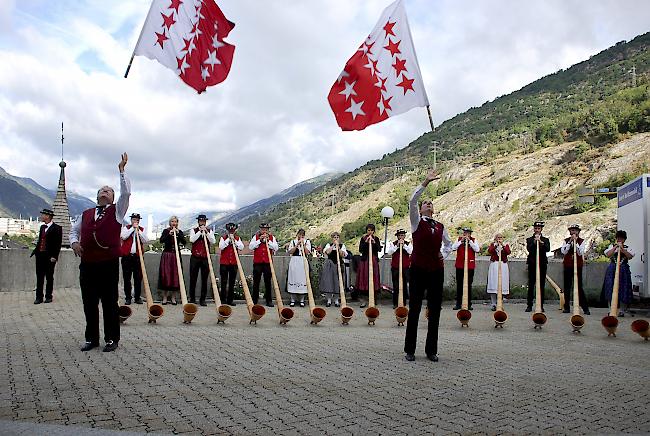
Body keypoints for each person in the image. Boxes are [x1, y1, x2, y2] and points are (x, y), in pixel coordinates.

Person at [70, 153, 129, 353]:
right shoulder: (85, 214)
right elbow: (73, 231)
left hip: (108, 263)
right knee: (89, 302)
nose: (105, 192)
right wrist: (74, 243)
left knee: (109, 302)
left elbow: (126, 194)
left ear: (113, 198)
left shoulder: (118, 211)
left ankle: (112, 339)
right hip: (87, 264)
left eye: (109, 191)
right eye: (102, 190)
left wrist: (121, 171)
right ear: (97, 196)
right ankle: (91, 338)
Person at [404, 170, 452, 362]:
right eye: (426, 203)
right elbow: (412, 201)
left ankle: (431, 350)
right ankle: (410, 350)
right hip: (417, 268)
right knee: (414, 308)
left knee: (434, 309)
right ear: (422, 209)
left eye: (430, 203)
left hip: (435, 270)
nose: (428, 204)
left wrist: (443, 255)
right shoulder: (416, 222)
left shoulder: (440, 226)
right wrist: (425, 182)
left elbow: (449, 244)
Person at [31, 208, 62, 304]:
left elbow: (58, 244)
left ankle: (48, 296)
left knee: (49, 277)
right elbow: (40, 241)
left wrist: (54, 256)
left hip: (49, 257)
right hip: (40, 255)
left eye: (43, 215)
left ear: (48, 216)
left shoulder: (57, 228)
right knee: (39, 277)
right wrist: (36, 251)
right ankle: (39, 297)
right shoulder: (42, 227)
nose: (41, 216)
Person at [602, 230, 635, 316]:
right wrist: (615, 248)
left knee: (624, 288)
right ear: (616, 239)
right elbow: (608, 254)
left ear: (624, 239)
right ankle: (611, 309)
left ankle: (622, 310)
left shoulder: (628, 247)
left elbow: (630, 256)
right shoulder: (611, 246)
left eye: (621, 238)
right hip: (612, 268)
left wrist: (623, 250)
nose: (620, 240)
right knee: (610, 287)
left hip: (623, 269)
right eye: (618, 238)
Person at [561, 224, 590, 315]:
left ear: (578, 232)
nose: (573, 232)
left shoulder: (582, 241)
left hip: (578, 266)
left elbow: (580, 252)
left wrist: (576, 242)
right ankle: (566, 307)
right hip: (568, 266)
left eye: (575, 230)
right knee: (567, 287)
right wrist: (570, 242)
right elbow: (564, 251)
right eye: (572, 230)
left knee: (579, 287)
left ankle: (585, 308)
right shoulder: (566, 241)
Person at [120, 213, 148, 305]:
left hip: (137, 257)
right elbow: (124, 236)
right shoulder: (126, 228)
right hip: (127, 257)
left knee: (138, 278)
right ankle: (128, 297)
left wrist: (138, 231)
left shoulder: (142, 229)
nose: (135, 221)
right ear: (131, 220)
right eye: (134, 219)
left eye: (137, 220)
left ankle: (137, 297)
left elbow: (145, 240)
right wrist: (133, 228)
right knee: (127, 278)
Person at [249, 223, 279, 307]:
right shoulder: (255, 237)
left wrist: (268, 242)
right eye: (263, 229)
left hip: (267, 263)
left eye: (266, 229)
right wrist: (259, 241)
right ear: (260, 230)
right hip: (257, 263)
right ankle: (254, 300)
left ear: (268, 230)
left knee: (268, 282)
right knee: (256, 282)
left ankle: (268, 301)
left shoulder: (272, 238)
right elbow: (251, 247)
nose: (264, 231)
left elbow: (276, 248)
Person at [189, 214, 216, 306]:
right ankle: (192, 298)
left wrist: (206, 233)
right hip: (195, 257)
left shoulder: (210, 230)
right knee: (193, 278)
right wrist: (200, 232)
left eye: (203, 221)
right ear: (198, 222)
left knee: (204, 279)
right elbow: (192, 240)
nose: (202, 222)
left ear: (205, 222)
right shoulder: (193, 230)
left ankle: (202, 299)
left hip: (205, 257)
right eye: (201, 221)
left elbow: (213, 241)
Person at [158, 216, 186, 305]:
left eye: (175, 222)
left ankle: (173, 297)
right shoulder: (166, 231)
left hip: (176, 255)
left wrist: (179, 234)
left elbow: (184, 242)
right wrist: (169, 234)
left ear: (177, 223)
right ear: (170, 223)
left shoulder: (179, 232)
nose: (174, 223)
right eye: (172, 221)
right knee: (165, 275)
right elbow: (161, 240)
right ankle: (165, 297)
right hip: (167, 255)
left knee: (175, 275)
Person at [451, 228, 480, 310]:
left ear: (470, 234)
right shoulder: (459, 239)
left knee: (469, 285)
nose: (466, 235)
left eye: (467, 233)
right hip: (460, 265)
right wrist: (461, 241)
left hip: (470, 265)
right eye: (464, 233)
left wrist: (470, 242)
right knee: (459, 285)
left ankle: (468, 304)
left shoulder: (473, 240)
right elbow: (453, 248)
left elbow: (477, 249)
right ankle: (458, 304)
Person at [525, 221, 550, 313]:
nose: (537, 230)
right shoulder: (529, 239)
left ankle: (540, 305)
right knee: (531, 285)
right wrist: (535, 242)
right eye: (535, 228)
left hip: (542, 264)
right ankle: (529, 305)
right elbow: (529, 249)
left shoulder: (546, 239)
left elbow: (548, 249)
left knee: (541, 286)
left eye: (538, 228)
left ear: (541, 229)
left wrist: (541, 242)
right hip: (532, 264)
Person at [218, 222, 244, 306]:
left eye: (233, 231)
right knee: (224, 281)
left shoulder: (237, 238)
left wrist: (234, 241)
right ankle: (223, 299)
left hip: (233, 263)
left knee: (232, 282)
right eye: (230, 231)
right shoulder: (223, 238)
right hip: (224, 263)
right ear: (227, 231)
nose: (231, 232)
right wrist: (228, 239)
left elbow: (241, 247)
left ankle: (230, 300)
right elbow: (221, 247)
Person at [356, 224, 382, 309]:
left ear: (374, 231)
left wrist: (374, 242)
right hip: (365, 261)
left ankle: (373, 299)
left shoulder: (376, 239)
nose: (369, 232)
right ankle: (363, 300)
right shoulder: (363, 239)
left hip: (373, 260)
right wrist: (366, 242)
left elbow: (379, 249)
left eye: (371, 230)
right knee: (364, 278)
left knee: (374, 278)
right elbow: (360, 249)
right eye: (368, 230)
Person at [385, 229, 412, 309]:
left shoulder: (408, 243)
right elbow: (389, 252)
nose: (401, 237)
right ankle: (395, 303)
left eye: (402, 235)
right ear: (397, 236)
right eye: (399, 235)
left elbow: (411, 251)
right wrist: (397, 246)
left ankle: (403, 303)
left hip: (405, 267)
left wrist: (404, 246)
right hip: (395, 267)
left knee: (404, 285)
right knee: (396, 285)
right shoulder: (393, 244)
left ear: (404, 236)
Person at [320, 232, 348, 307]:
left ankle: (336, 300)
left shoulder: (342, 246)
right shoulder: (328, 245)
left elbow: (343, 255)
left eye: (337, 237)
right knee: (329, 282)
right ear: (332, 238)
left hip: (339, 265)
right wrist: (333, 246)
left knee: (338, 283)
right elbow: (327, 252)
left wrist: (338, 247)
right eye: (334, 237)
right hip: (330, 265)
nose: (336, 238)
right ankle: (329, 300)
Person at [286, 229, 311, 307]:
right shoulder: (293, 242)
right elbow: (290, 252)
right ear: (297, 234)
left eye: (303, 235)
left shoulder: (307, 242)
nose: (301, 236)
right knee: (293, 278)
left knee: (303, 279)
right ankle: (292, 299)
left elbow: (308, 252)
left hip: (303, 261)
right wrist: (297, 245)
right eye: (300, 234)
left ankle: (302, 300)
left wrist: (303, 245)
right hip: (294, 261)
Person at [486, 233, 511, 311]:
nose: (499, 239)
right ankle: (493, 304)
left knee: (502, 284)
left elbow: (508, 252)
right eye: (498, 237)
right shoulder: (492, 245)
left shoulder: (506, 245)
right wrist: (496, 245)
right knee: (494, 283)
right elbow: (490, 251)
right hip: (495, 265)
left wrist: (502, 246)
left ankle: (500, 303)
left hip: (503, 265)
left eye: (501, 237)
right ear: (495, 238)